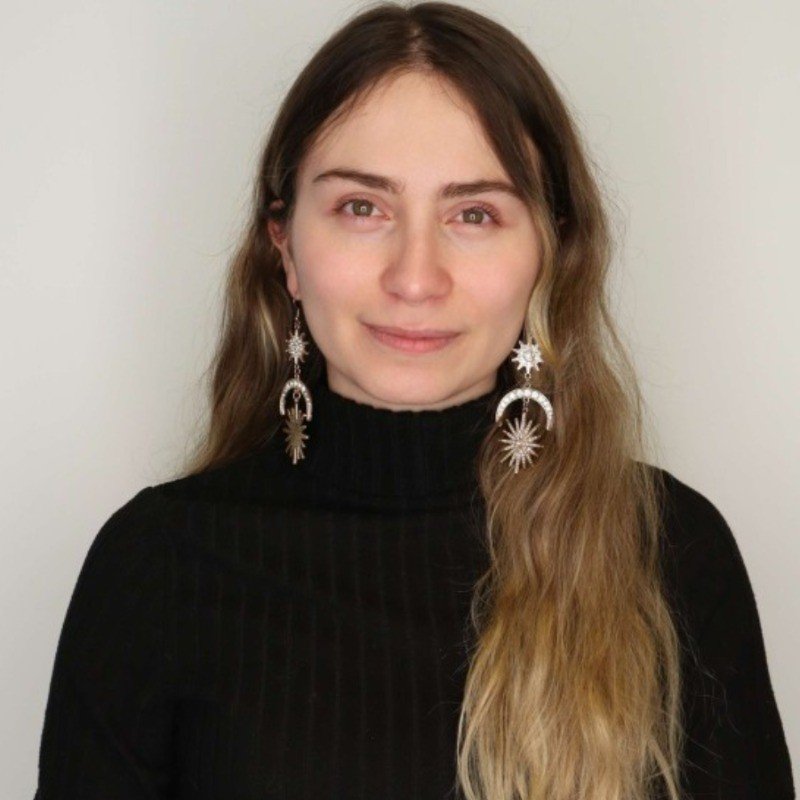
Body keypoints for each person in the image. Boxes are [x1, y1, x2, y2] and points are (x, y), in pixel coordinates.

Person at [33, 3, 795, 799]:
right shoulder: (156, 567)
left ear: (552, 252)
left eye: (475, 213)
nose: (415, 277)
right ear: (285, 246)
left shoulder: (671, 553)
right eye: (362, 208)